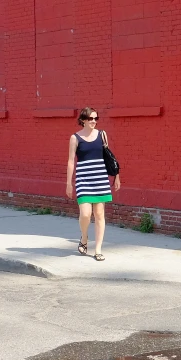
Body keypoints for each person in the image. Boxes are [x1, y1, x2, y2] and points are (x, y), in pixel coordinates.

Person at [66, 107, 121, 261]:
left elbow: (109, 157)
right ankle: (84, 238)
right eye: (90, 119)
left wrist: (116, 175)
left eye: (96, 118)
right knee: (85, 214)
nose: (94, 121)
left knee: (99, 214)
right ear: (83, 120)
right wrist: (69, 183)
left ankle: (98, 249)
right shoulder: (75, 138)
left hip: (100, 179)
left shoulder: (102, 135)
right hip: (83, 180)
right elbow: (71, 161)